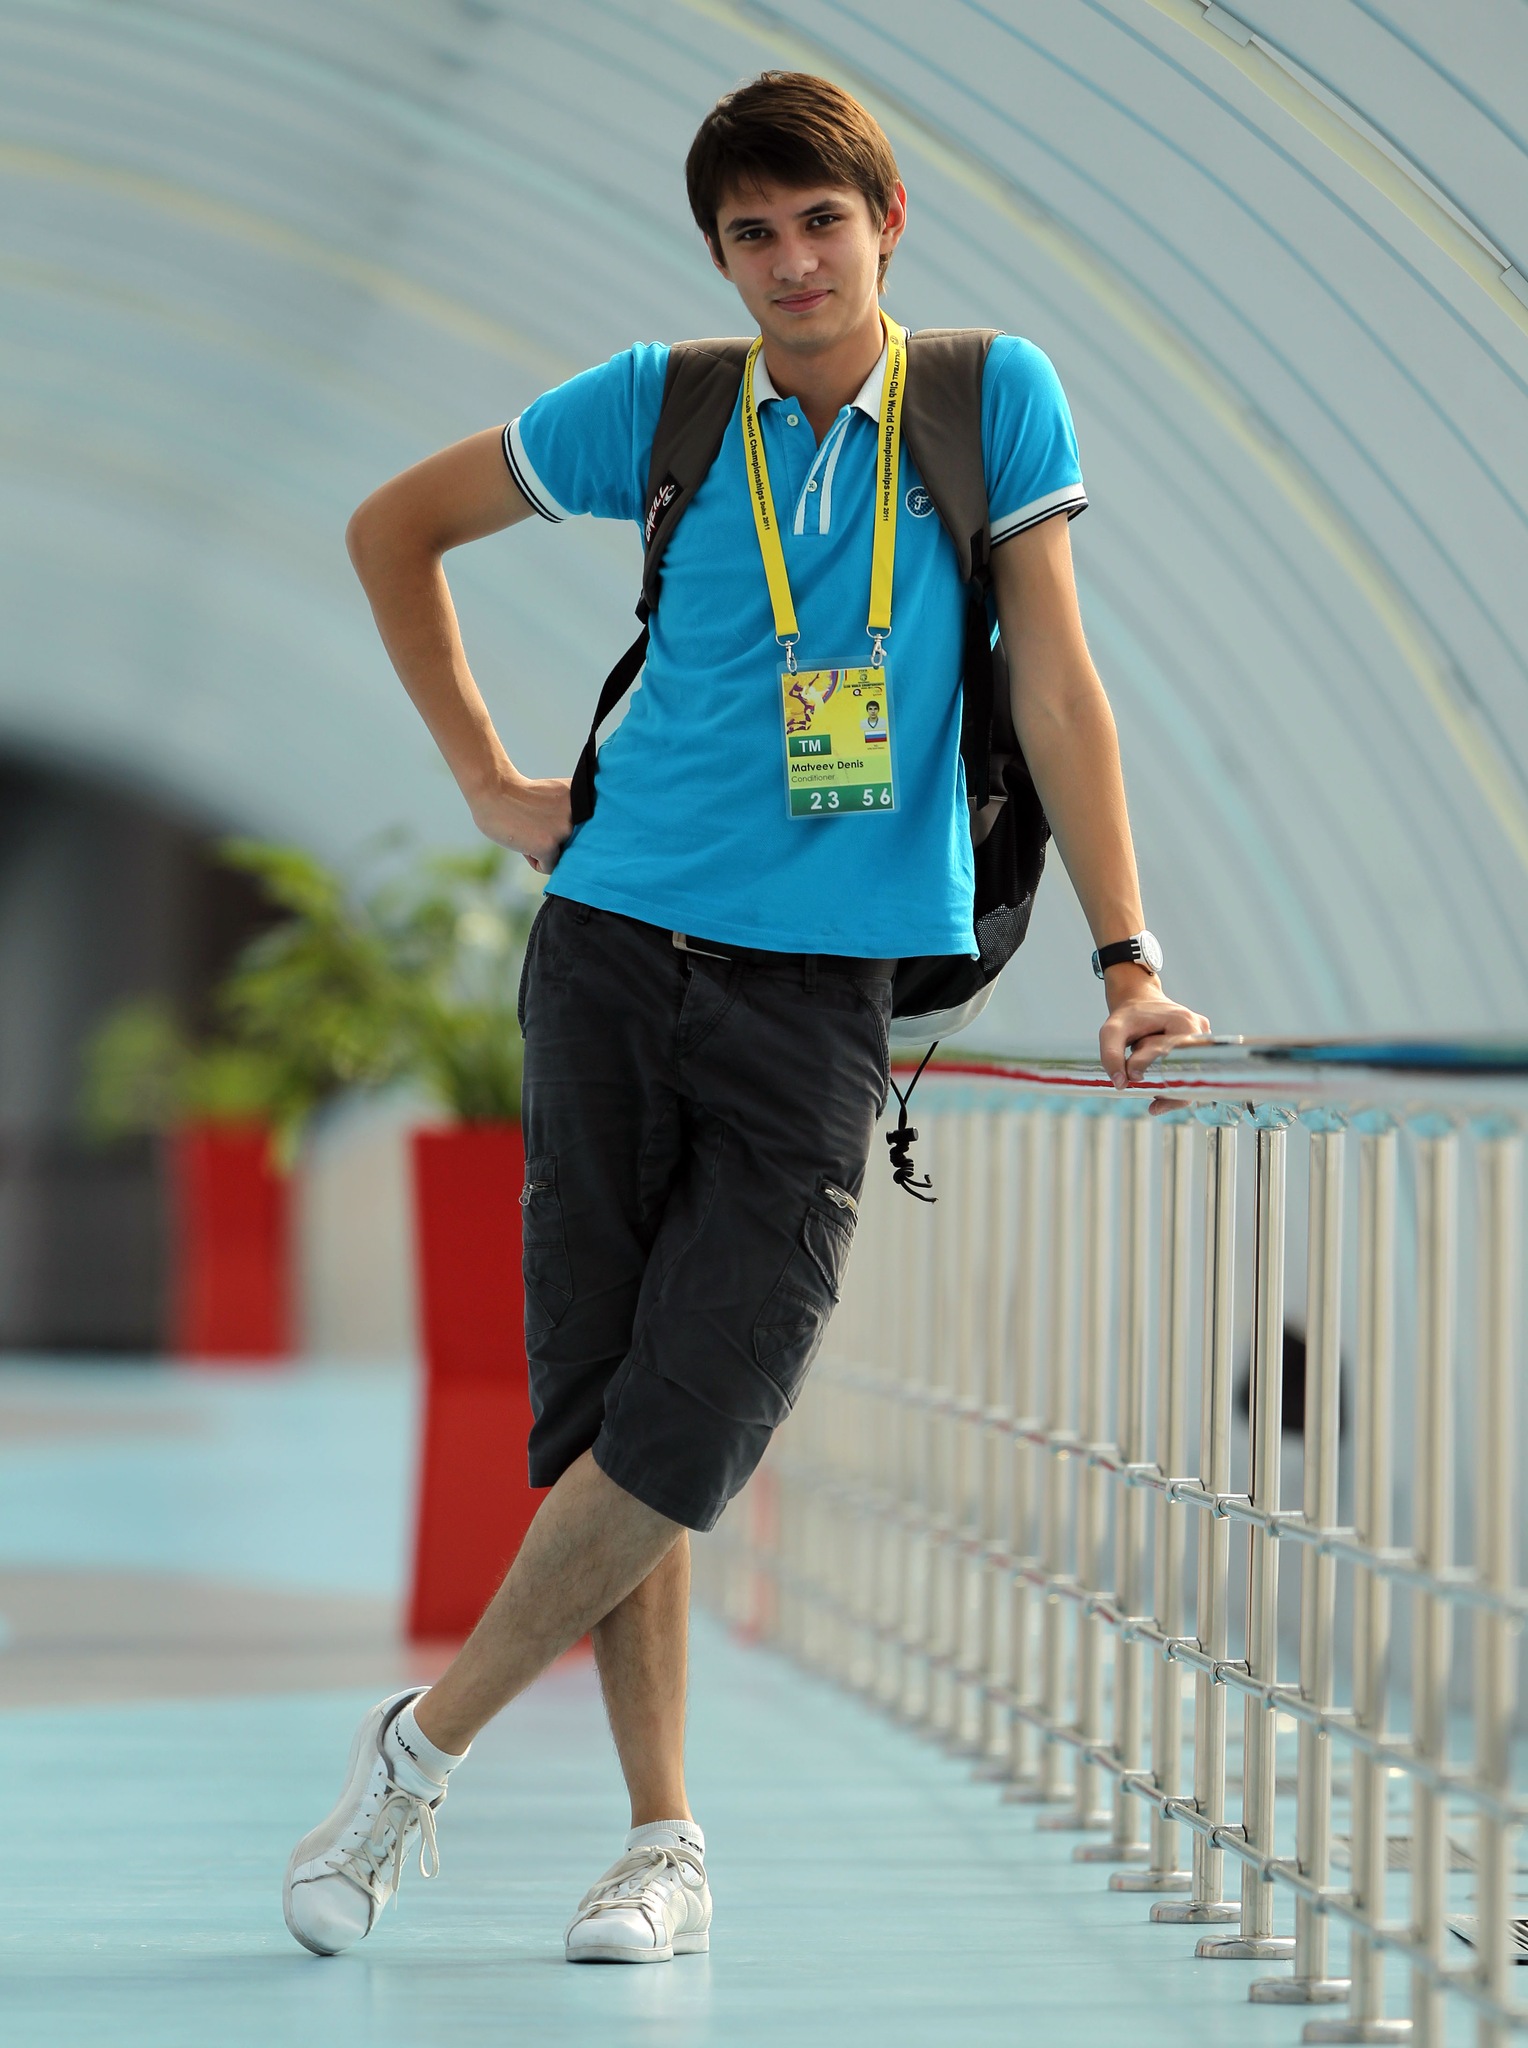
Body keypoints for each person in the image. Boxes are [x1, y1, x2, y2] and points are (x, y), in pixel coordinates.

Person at [283, 69, 1210, 1967]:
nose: (793, 263)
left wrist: (1129, 957)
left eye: (822, 222)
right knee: (609, 1406)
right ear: (718, 255)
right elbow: (392, 529)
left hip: (822, 986)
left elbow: (1057, 685)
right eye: (753, 235)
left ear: (889, 221)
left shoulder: (986, 400)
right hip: (615, 946)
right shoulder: (663, 405)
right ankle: (661, 1840)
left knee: (702, 1404)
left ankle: (417, 1752)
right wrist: (490, 782)